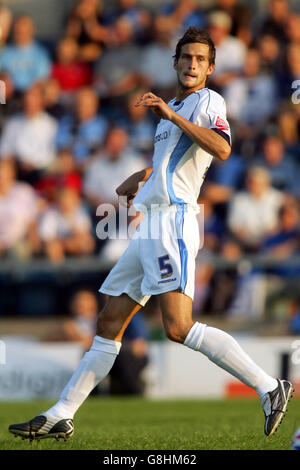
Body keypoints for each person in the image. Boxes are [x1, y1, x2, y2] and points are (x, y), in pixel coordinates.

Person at [9, 27, 293, 442]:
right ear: (174, 62)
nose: (192, 64)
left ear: (210, 67)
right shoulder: (173, 107)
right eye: (186, 57)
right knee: (108, 320)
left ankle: (269, 386)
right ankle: (61, 413)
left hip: (174, 222)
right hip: (150, 224)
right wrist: (139, 176)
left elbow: (223, 148)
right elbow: (171, 163)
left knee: (178, 326)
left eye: (200, 59)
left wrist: (173, 116)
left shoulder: (207, 100)